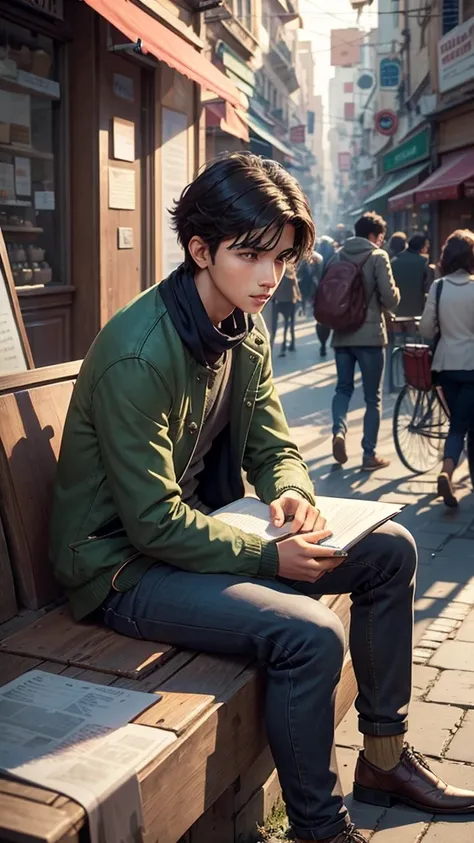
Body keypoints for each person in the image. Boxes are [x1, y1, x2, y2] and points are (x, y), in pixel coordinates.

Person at [50, 153, 474, 843]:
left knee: (391, 549)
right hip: (120, 567)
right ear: (199, 249)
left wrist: (294, 496)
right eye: (249, 255)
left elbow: (275, 446)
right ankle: (319, 828)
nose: (270, 276)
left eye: (280, 257)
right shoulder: (139, 353)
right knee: (308, 635)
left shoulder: (240, 328)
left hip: (199, 533)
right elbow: (151, 520)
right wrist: (266, 557)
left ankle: (385, 760)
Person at [331, 211, 400, 471]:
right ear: (372, 235)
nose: (381, 241)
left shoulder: (339, 254)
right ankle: (369, 455)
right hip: (370, 336)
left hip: (342, 334)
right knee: (373, 398)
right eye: (380, 236)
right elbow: (390, 298)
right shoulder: (377, 256)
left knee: (343, 389)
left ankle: (339, 431)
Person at [419, 229, 474, 508]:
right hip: (471, 366)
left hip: (445, 367)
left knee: (459, 421)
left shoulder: (439, 287)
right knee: (462, 425)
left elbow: (427, 329)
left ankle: (448, 473)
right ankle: (448, 471)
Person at [391, 233, 431, 318]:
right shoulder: (423, 262)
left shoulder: (393, 261)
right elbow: (428, 288)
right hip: (417, 311)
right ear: (422, 248)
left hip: (396, 311)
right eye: (427, 247)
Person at [270, 262, 300, 355]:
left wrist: (272, 298)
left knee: (274, 325)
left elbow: (275, 289)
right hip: (291, 302)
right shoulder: (292, 276)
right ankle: (291, 344)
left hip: (279, 302)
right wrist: (298, 298)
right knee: (290, 324)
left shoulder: (280, 276)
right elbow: (297, 289)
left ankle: (274, 344)